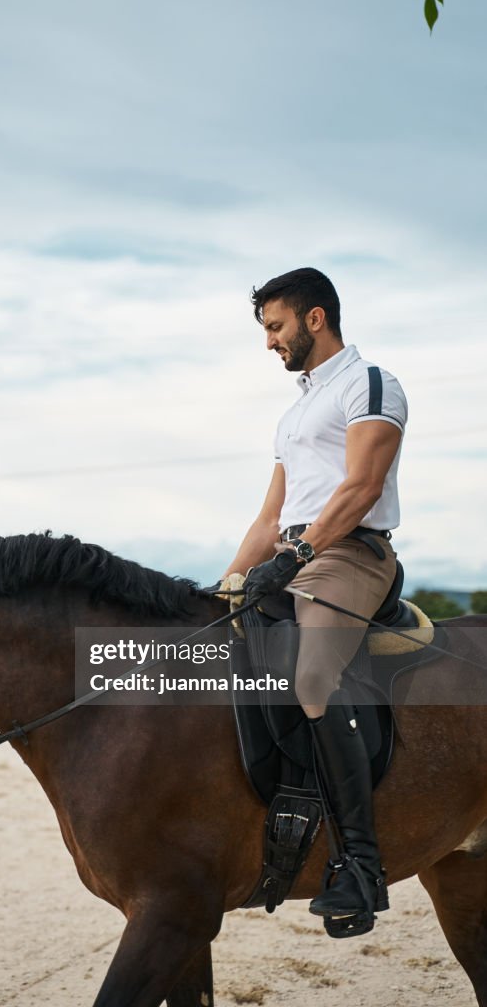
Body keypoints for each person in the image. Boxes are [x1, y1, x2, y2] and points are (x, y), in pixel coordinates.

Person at [224, 266, 407, 925]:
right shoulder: (295, 411)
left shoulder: (367, 383)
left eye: (273, 327)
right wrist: (223, 586)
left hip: (350, 554)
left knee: (311, 680)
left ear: (313, 318)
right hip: (291, 555)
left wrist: (301, 555)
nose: (268, 341)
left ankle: (360, 869)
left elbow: (360, 486)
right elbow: (268, 520)